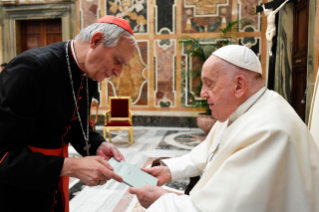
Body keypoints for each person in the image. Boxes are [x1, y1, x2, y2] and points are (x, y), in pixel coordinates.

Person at [129, 45, 319, 211]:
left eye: (209, 84)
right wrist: (169, 171)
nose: (202, 93)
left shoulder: (268, 131)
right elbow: (208, 154)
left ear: (238, 85)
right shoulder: (242, 110)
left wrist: (162, 201)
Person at [0, 16, 136, 212]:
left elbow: (74, 125)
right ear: (96, 41)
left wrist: (98, 145)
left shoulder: (87, 74)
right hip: (19, 189)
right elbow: (3, 153)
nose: (119, 73)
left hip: (54, 179)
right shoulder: (31, 68)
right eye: (117, 60)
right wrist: (71, 166)